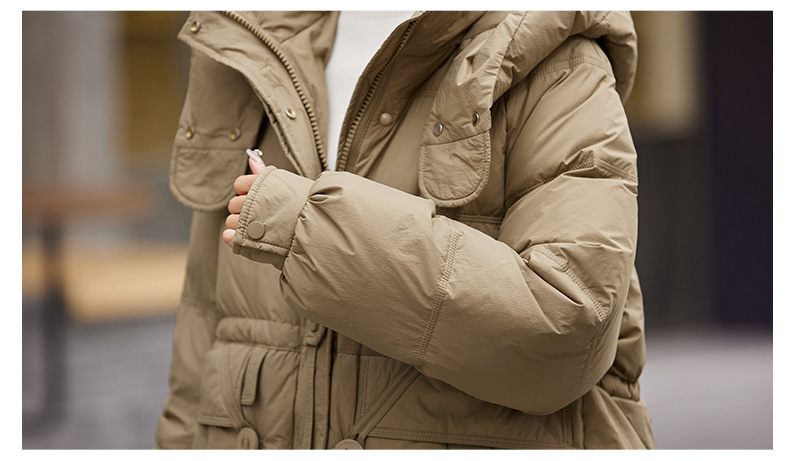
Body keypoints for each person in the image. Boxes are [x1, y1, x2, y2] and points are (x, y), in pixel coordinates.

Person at [156, 10, 655, 449]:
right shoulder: (246, 38)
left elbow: (566, 323)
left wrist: (314, 232)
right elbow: (203, 340)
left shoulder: (558, 56)